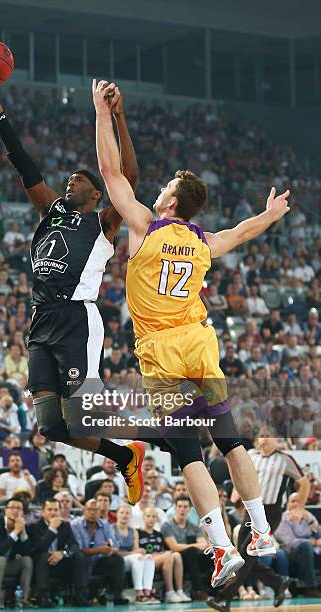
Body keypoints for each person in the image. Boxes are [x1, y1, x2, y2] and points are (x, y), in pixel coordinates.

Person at [94, 81, 290, 586]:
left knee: (186, 451)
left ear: (172, 199)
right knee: (229, 439)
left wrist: (101, 112)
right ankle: (262, 529)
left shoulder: (144, 226)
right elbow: (241, 233)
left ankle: (224, 547)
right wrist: (269, 215)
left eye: (164, 188)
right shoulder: (203, 241)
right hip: (199, 340)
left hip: (161, 350)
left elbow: (111, 171)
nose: (157, 190)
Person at [0, 73, 144, 506]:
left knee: (83, 417)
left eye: (80, 179)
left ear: (97, 191)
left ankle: (156, 432)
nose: (71, 180)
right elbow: (22, 162)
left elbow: (131, 176)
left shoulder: (104, 221)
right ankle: (124, 454)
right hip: (41, 321)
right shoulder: (51, 210)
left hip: (77, 319)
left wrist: (118, 117)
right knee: (51, 426)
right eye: (69, 177)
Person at [208, 428, 311, 612]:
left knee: (246, 555)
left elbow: (304, 482)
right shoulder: (250, 455)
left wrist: (300, 507)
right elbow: (239, 471)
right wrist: (236, 490)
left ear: (276, 439)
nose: (263, 440)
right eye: (261, 436)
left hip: (270, 512)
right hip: (250, 509)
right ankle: (278, 582)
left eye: (267, 436)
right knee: (242, 555)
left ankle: (224, 598)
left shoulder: (284, 459)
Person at [29, 498, 89, 607]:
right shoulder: (34, 527)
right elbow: (38, 549)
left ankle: (81, 596)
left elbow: (74, 546)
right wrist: (51, 529)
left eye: (56, 509)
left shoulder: (65, 525)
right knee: (43, 556)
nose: (53, 512)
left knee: (79, 556)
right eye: (49, 509)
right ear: (43, 512)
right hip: (42, 565)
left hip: (61, 563)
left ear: (60, 512)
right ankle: (43, 597)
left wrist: (63, 553)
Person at [70, 498, 129, 605]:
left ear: (100, 512)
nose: (92, 513)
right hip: (80, 562)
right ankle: (81, 598)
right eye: (89, 510)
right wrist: (100, 549)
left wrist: (110, 549)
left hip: (98, 562)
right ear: (84, 511)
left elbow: (115, 545)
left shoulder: (105, 524)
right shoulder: (75, 525)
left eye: (95, 510)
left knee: (117, 559)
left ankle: (117, 595)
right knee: (81, 557)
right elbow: (78, 550)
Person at [0, 497, 33, 607]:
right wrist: (16, 531)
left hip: (8, 564)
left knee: (27, 560)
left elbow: (28, 552)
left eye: (19, 508)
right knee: (0, 559)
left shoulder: (22, 526)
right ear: (5, 510)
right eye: (12, 507)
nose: (15, 510)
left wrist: (22, 533)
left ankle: (24, 599)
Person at [162, 495, 209, 600]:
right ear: (175, 508)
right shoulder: (167, 526)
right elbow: (174, 547)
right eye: (179, 506)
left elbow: (203, 544)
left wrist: (192, 546)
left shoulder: (194, 527)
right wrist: (193, 546)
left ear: (189, 509)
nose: (182, 509)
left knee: (211, 555)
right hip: (176, 557)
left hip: (193, 558)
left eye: (185, 507)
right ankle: (197, 589)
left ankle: (217, 590)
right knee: (191, 551)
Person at [275, 492, 321, 597]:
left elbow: (318, 532)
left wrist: (310, 521)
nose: (296, 504)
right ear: (287, 504)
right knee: (305, 545)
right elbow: (290, 542)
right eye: (293, 501)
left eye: (299, 501)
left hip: (312, 548)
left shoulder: (308, 516)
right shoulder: (282, 519)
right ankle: (310, 587)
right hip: (291, 553)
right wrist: (314, 542)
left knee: (308, 546)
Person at [138, 506, 187, 603]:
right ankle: (169, 592)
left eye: (153, 516)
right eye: (148, 516)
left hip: (160, 560)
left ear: (157, 519)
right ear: (143, 517)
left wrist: (162, 553)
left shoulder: (159, 534)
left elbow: (162, 550)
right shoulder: (138, 533)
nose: (151, 519)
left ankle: (180, 591)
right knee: (168, 556)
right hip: (146, 561)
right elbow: (138, 551)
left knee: (176, 555)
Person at [113, 504, 159, 603]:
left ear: (130, 516)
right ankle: (139, 593)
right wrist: (133, 553)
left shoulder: (133, 531)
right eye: (122, 512)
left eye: (127, 513)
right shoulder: (112, 529)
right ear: (116, 514)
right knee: (138, 557)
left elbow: (136, 551)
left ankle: (148, 591)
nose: (125, 515)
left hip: (131, 560)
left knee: (148, 557)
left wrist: (136, 553)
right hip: (117, 561)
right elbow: (114, 553)